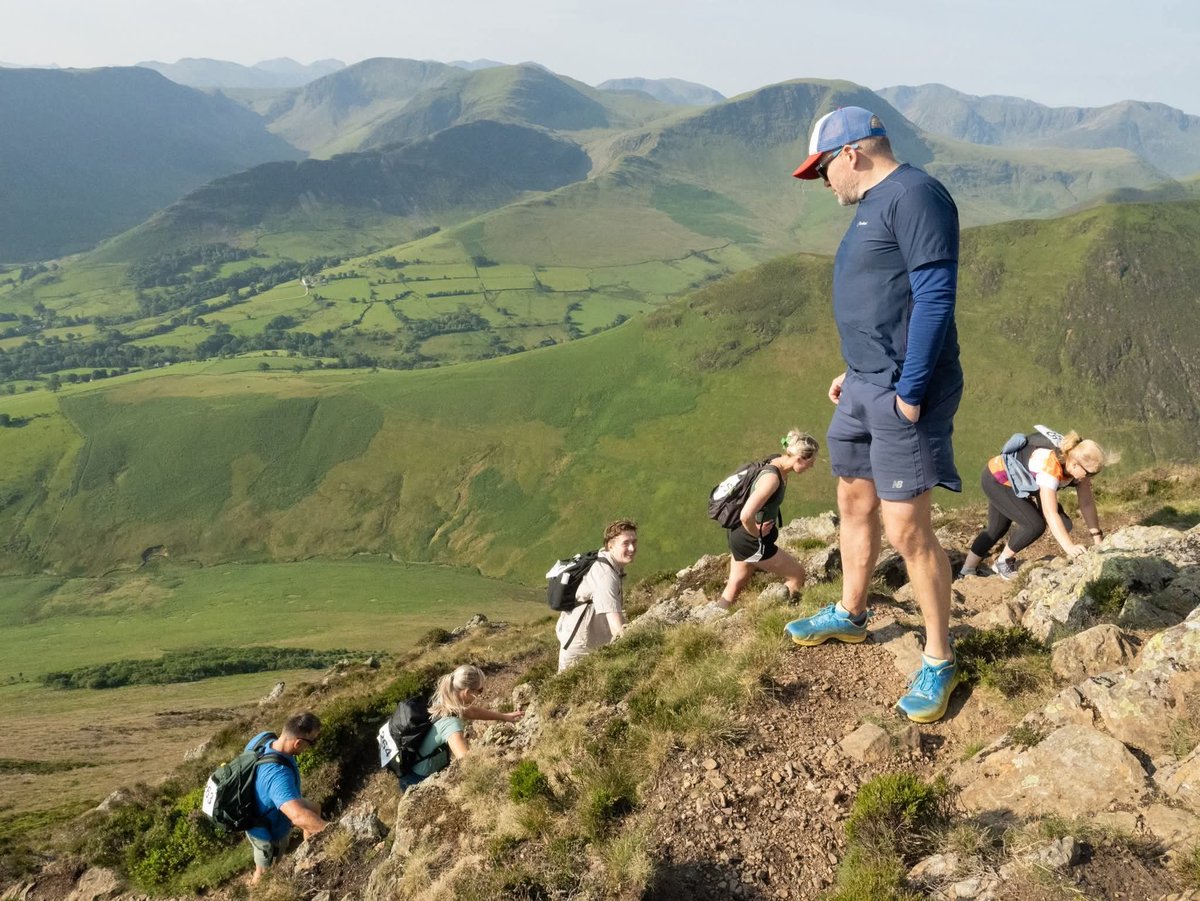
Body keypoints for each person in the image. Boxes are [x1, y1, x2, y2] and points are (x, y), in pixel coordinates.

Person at [786, 107, 964, 724]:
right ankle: (852, 612)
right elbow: (885, 297)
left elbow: (936, 296)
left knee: (907, 531)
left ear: (853, 153)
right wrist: (855, 367)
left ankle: (940, 658)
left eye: (822, 170)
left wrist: (910, 389)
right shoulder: (877, 201)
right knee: (853, 500)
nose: (822, 183)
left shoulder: (915, 196)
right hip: (865, 383)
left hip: (900, 392)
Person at [959, 429, 1116, 580]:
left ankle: (967, 570)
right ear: (1075, 464)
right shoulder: (1050, 465)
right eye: (1090, 473)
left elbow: (1087, 503)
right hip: (998, 479)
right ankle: (1001, 562)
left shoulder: (1077, 466)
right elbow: (1049, 512)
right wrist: (1069, 547)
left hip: (1016, 479)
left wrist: (1097, 540)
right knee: (1033, 526)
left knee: (1000, 527)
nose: (1091, 477)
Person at [715, 429, 819, 610]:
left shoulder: (776, 461)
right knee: (797, 576)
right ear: (799, 458)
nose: (812, 466)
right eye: (811, 462)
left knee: (735, 585)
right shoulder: (772, 478)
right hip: (751, 541)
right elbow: (746, 515)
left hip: (739, 536)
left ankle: (714, 619)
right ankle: (769, 615)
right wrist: (757, 534)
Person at [397, 664, 523, 789]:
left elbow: (471, 711)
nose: (480, 694)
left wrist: (504, 716)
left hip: (409, 770)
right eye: (480, 690)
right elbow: (466, 761)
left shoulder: (442, 699)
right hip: (418, 780)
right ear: (467, 692)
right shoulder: (451, 725)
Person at [245, 712, 328, 885]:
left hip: (265, 807)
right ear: (298, 743)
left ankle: (311, 852)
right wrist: (335, 834)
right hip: (266, 829)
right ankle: (257, 891)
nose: (312, 746)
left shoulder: (264, 739)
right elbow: (297, 816)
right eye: (312, 742)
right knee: (265, 872)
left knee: (314, 808)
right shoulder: (277, 776)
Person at [556, 519, 638, 671]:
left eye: (634, 542)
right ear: (610, 546)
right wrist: (634, 649)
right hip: (581, 646)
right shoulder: (605, 574)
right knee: (570, 691)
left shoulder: (609, 565)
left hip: (589, 640)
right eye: (626, 543)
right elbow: (616, 626)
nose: (632, 548)